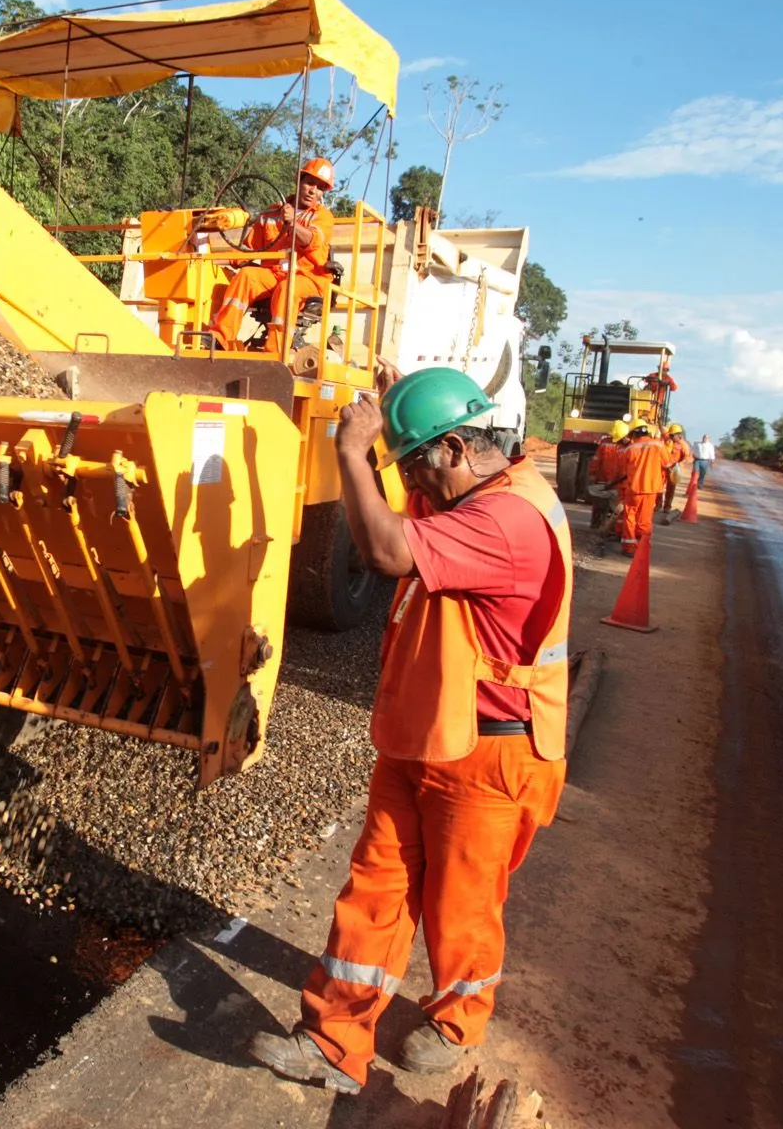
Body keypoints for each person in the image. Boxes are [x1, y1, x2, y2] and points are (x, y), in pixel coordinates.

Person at [249, 364, 572, 1094]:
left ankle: (459, 1021)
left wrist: (352, 454)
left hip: (493, 752)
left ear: (458, 447)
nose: (414, 484)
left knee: (461, 909)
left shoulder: (508, 520)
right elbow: (411, 523)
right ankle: (334, 1042)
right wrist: (399, 414)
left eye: (419, 464)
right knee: (373, 891)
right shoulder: (477, 492)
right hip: (430, 734)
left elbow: (390, 551)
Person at [210, 158, 338, 350]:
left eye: (320, 188)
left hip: (309, 278)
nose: (313, 191)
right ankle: (219, 338)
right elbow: (249, 248)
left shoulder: (323, 217)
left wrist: (294, 222)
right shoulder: (271, 212)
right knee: (246, 276)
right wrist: (215, 260)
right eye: (310, 183)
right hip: (274, 273)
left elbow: (312, 241)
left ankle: (276, 350)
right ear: (299, 182)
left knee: (288, 288)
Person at [617, 420, 668, 555]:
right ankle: (642, 548)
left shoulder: (629, 449)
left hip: (633, 490)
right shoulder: (658, 445)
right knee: (644, 520)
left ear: (634, 433)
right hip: (651, 489)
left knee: (630, 518)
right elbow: (667, 464)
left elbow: (623, 473)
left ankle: (629, 548)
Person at [659, 423, 691, 523]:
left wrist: (678, 466)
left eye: (673, 435)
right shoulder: (668, 438)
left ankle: (667, 507)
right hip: (663, 467)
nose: (671, 437)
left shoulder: (684, 446)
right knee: (658, 487)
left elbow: (687, 458)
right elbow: (663, 431)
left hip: (673, 469)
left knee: (670, 488)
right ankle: (658, 505)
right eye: (671, 435)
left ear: (678, 435)